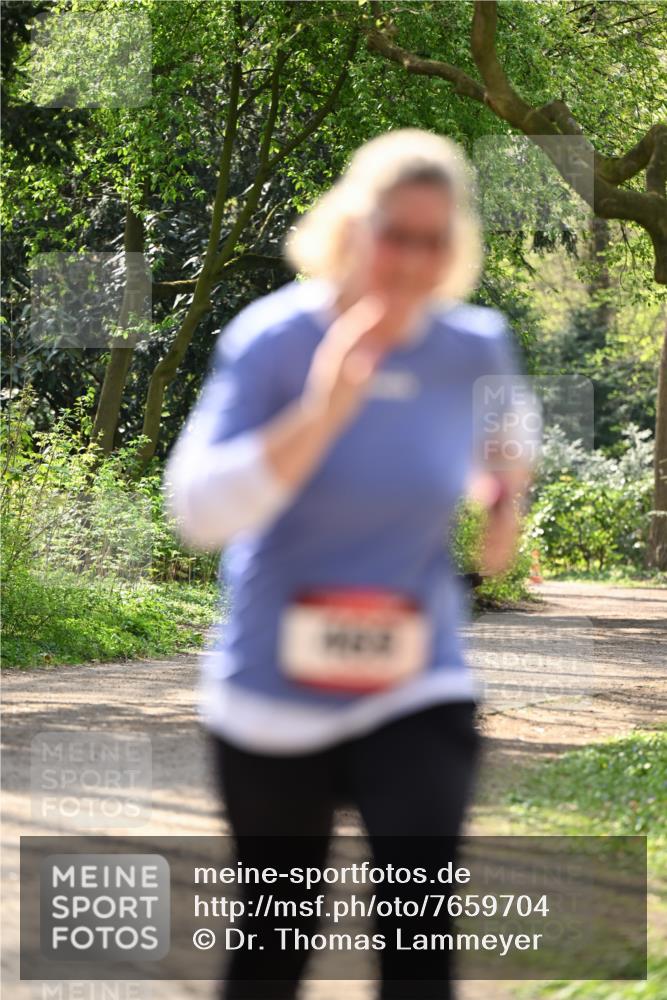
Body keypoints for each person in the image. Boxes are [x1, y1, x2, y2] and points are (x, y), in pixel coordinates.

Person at [165, 128, 538, 1000]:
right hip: (273, 692)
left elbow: (509, 437)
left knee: (419, 947)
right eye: (393, 234)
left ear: (455, 249)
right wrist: (324, 408)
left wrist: (502, 499)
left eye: (433, 240)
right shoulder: (273, 339)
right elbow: (197, 514)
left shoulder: (472, 346)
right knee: (271, 949)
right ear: (350, 228)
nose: (411, 260)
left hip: (415, 681)